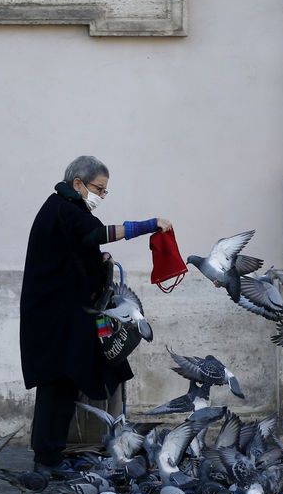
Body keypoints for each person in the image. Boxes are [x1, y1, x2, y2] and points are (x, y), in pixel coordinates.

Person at [19, 155, 172, 477]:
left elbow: (76, 248)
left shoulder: (65, 209)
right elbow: (97, 234)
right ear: (78, 183)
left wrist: (94, 259)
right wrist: (148, 225)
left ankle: (52, 457)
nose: (101, 196)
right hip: (55, 319)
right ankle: (45, 461)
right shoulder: (64, 208)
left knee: (67, 383)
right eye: (98, 189)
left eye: (105, 191)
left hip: (64, 315)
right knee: (56, 385)